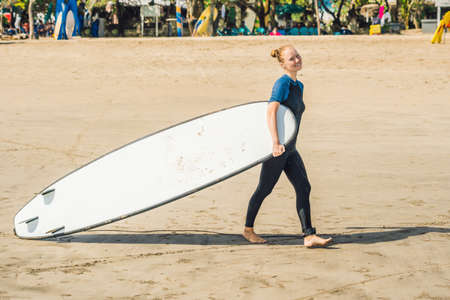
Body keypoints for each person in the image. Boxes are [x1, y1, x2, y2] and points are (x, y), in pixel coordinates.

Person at [243, 45, 333, 248]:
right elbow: (270, 110)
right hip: (278, 149)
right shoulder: (282, 83)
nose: (297, 60)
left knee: (304, 187)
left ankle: (309, 235)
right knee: (264, 189)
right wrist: (275, 143)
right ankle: (248, 230)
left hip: (291, 149)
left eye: (298, 56)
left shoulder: (298, 85)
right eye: (292, 59)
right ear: (283, 64)